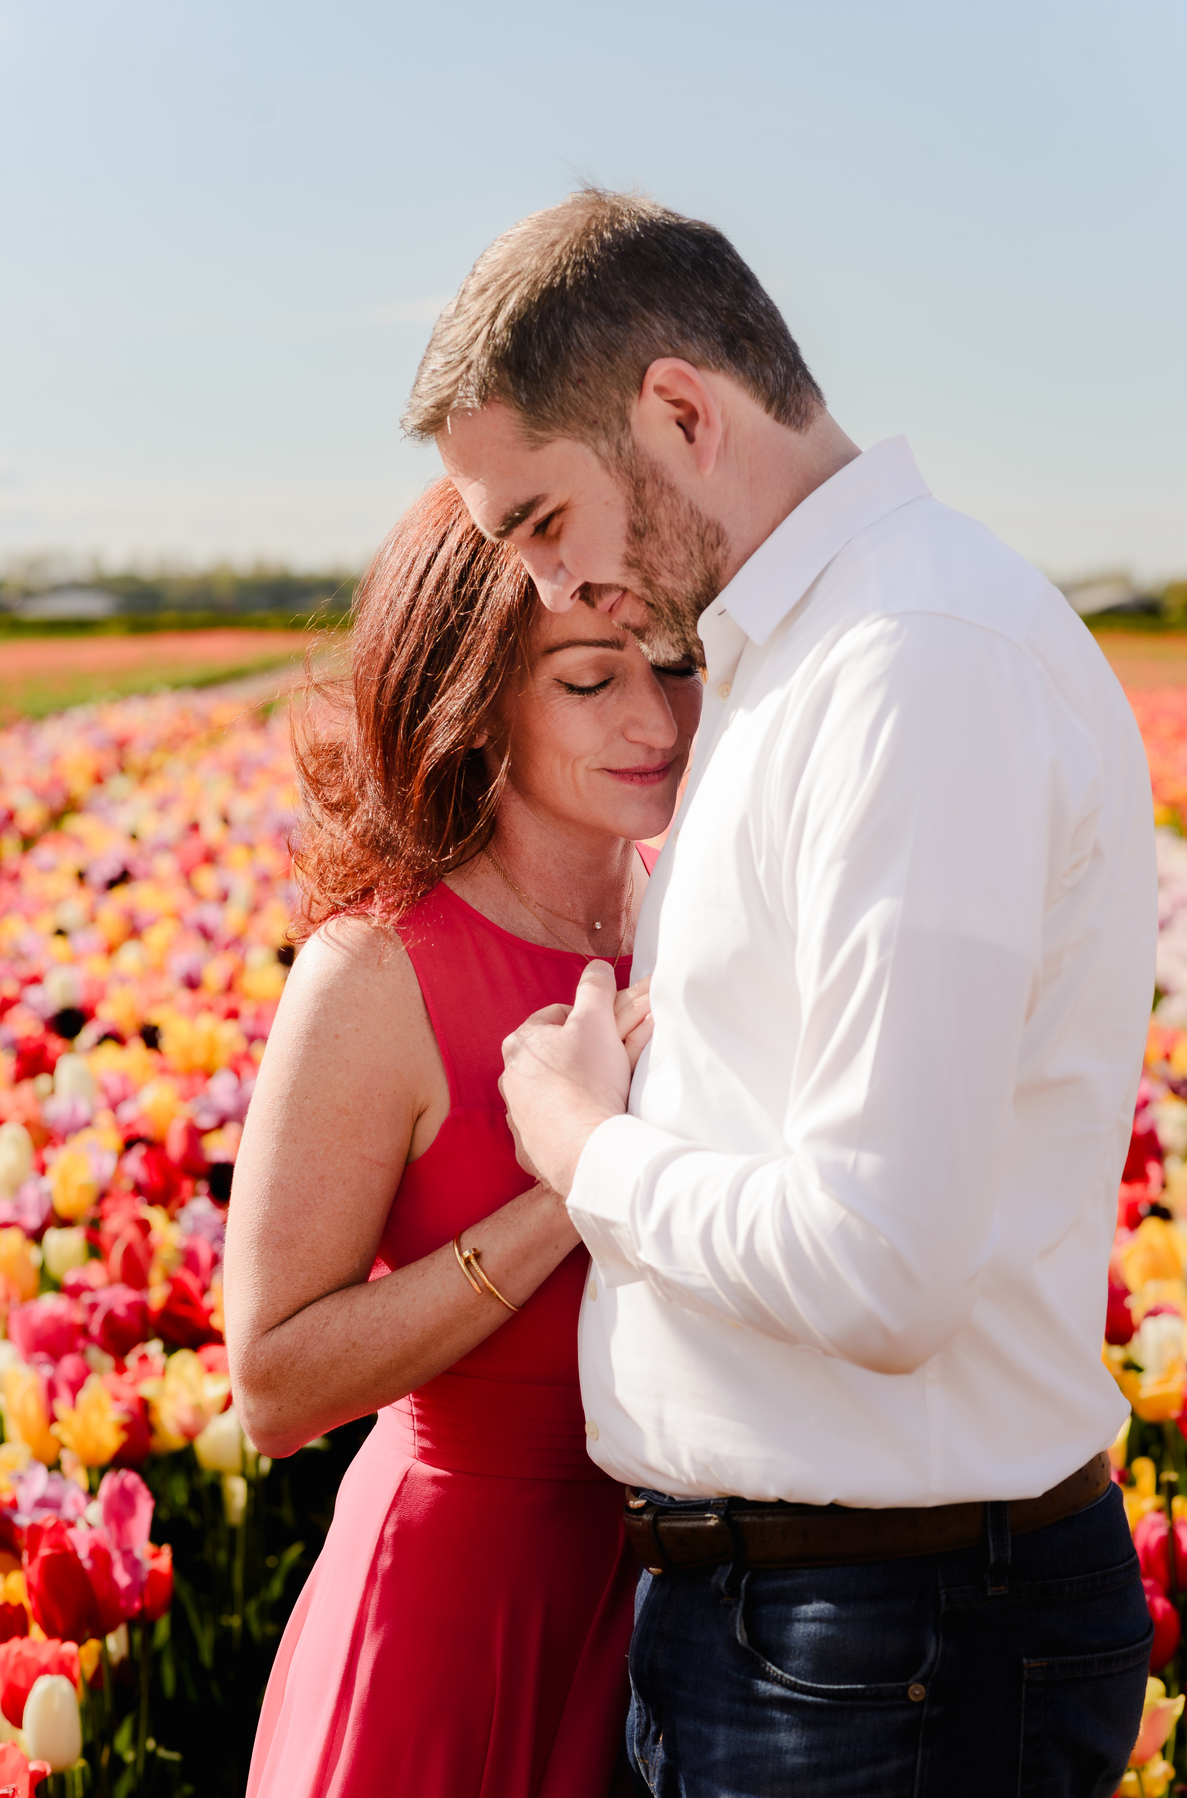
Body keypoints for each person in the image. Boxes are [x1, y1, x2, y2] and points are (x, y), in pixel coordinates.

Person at [406, 189, 1159, 1797]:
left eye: (544, 523)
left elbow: (884, 1265)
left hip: (888, 1641)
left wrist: (585, 1148)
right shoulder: (796, 661)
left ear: (682, 410)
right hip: (818, 1625)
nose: (550, 590)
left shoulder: (915, 664)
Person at [225, 476, 702, 1798]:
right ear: (478, 690)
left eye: (673, 660)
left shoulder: (692, 916)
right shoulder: (379, 973)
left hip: (672, 1620)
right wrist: (569, 1178)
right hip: (455, 1611)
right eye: (591, 679)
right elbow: (271, 1387)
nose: (656, 719)